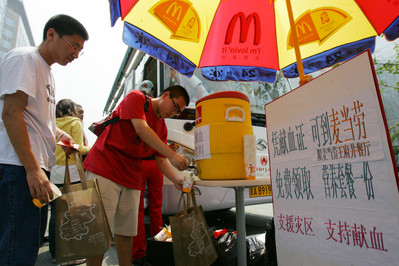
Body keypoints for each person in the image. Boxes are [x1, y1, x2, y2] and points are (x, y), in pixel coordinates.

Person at [0, 14, 88, 265]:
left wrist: (62, 138)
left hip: (35, 168)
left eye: (80, 51)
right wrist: (32, 168)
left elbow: (40, 123)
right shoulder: (25, 58)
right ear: (51, 34)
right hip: (18, 167)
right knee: (16, 248)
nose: (75, 55)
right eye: (73, 46)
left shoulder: (47, 71)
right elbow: (11, 112)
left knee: (28, 244)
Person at [83, 85, 190, 266]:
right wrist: (173, 154)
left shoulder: (162, 128)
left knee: (126, 231)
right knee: (99, 231)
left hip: (131, 175)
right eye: (176, 107)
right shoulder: (137, 98)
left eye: (179, 112)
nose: (175, 113)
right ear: (166, 95)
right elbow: (141, 128)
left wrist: (177, 179)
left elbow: (160, 160)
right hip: (105, 167)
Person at [48, 99, 91, 264]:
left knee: (56, 214)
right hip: (71, 171)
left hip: (54, 172)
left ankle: (55, 253)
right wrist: (93, 148)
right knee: (73, 213)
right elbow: (78, 148)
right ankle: (73, 253)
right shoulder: (75, 123)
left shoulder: (53, 123)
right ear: (72, 110)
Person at [132, 81, 164, 264]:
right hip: (155, 165)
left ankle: (139, 254)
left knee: (137, 211)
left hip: (140, 165)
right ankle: (159, 248)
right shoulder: (159, 117)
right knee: (156, 208)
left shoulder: (138, 103)